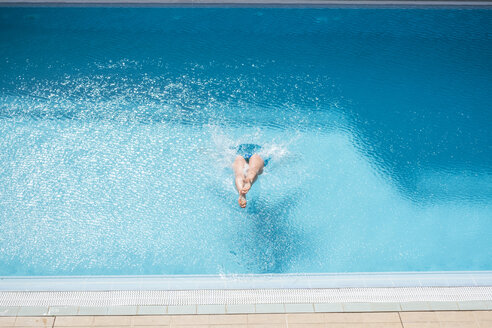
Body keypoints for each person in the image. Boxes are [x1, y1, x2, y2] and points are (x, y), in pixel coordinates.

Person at [232, 144, 267, 208]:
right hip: (257, 154)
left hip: (239, 154)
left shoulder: (234, 150)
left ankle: (241, 190)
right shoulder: (262, 151)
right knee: (253, 171)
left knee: (239, 174)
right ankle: (249, 180)